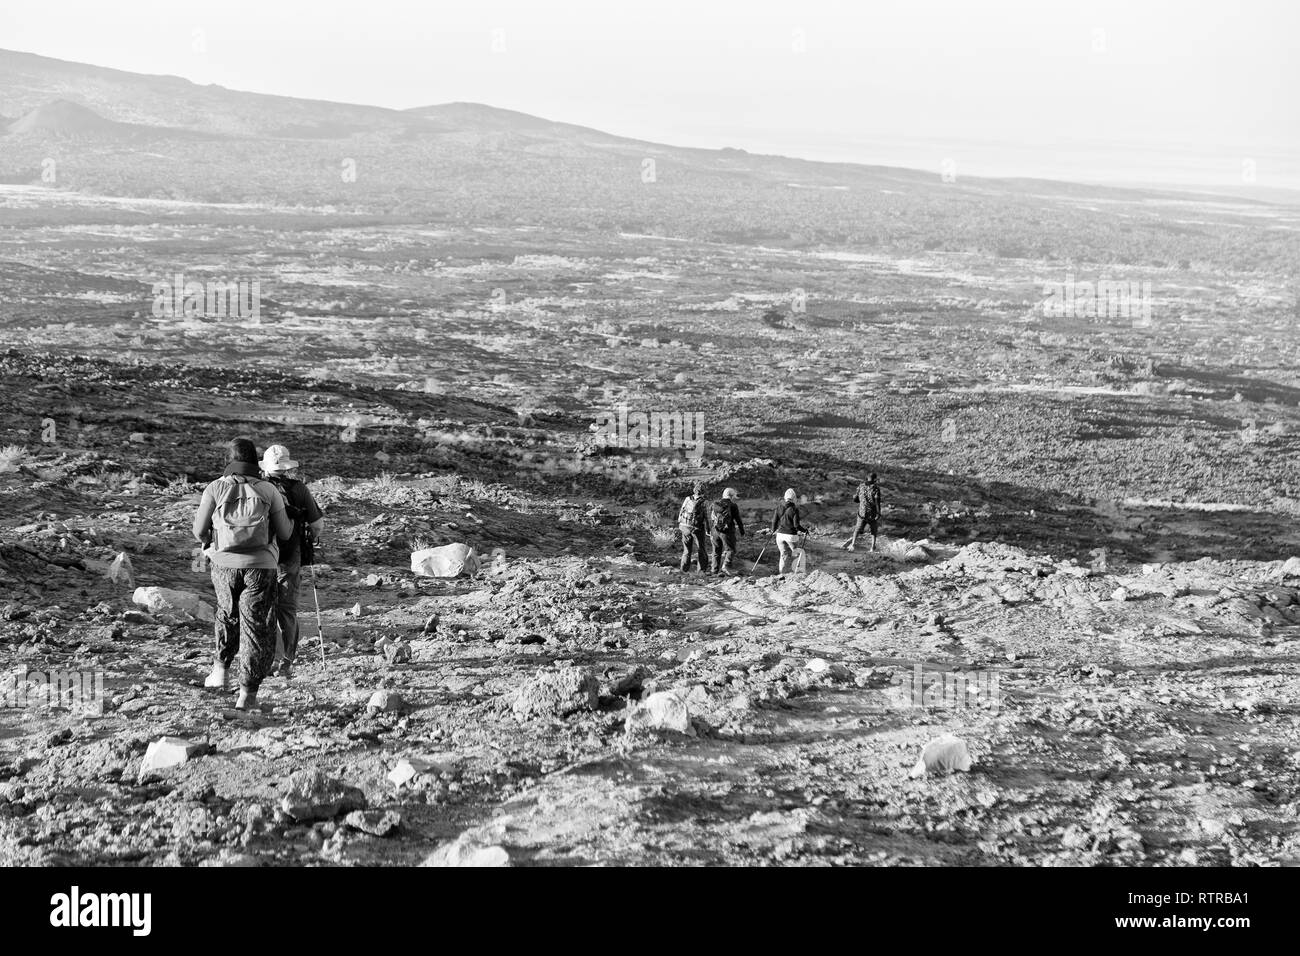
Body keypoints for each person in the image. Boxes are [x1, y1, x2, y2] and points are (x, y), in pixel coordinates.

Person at [192, 438, 293, 711]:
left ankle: (220, 672)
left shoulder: (215, 487)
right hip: (262, 566)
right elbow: (284, 533)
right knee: (256, 626)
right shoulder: (269, 490)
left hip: (224, 565)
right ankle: (247, 695)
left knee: (227, 613)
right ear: (255, 460)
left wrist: (208, 544)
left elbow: (199, 531)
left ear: (230, 459)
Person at [259, 444, 324, 680]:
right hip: (289, 554)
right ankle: (286, 661)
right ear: (287, 466)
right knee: (286, 609)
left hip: (259, 555)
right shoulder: (299, 489)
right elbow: (317, 526)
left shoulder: (256, 486)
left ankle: (264, 659)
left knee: (261, 607)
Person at [770, 488, 810, 574]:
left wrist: (773, 530)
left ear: (785, 497)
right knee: (797, 554)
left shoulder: (779, 507)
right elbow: (796, 525)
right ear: (794, 498)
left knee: (783, 555)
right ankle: (797, 573)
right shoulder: (794, 509)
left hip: (780, 535)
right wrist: (804, 530)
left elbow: (774, 521)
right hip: (791, 536)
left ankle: (782, 574)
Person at [677, 481, 712, 573]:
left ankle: (683, 570)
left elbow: (681, 511)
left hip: (684, 526)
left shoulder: (688, 498)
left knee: (687, 550)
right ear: (704, 491)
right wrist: (709, 530)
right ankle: (701, 571)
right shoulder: (705, 502)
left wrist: (680, 524)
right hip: (696, 528)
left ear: (695, 490)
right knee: (701, 549)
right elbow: (708, 517)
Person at [709, 487, 745, 575]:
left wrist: (709, 529)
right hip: (727, 531)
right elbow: (738, 519)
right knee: (730, 550)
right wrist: (742, 531)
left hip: (715, 530)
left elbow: (710, 518)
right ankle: (726, 566)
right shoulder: (733, 505)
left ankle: (714, 570)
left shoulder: (715, 504)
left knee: (716, 551)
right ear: (732, 496)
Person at [848, 473, 882, 552]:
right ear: (875, 479)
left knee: (857, 529)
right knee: (873, 531)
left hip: (862, 513)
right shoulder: (876, 488)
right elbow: (877, 502)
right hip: (872, 513)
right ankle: (872, 547)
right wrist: (878, 513)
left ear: (867, 478)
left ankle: (852, 544)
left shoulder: (861, 486)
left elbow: (855, 499)